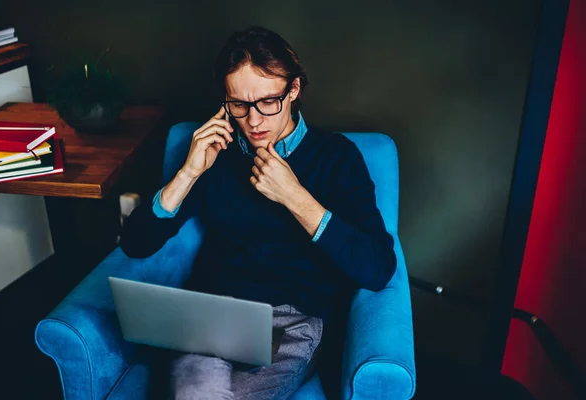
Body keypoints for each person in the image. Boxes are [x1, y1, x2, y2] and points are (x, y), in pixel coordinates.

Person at [119, 26, 397, 400]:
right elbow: (135, 245)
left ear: (294, 90)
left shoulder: (337, 157)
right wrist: (189, 172)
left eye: (268, 102)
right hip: (213, 314)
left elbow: (377, 267)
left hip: (292, 321)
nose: (253, 121)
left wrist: (295, 197)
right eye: (239, 104)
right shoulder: (216, 152)